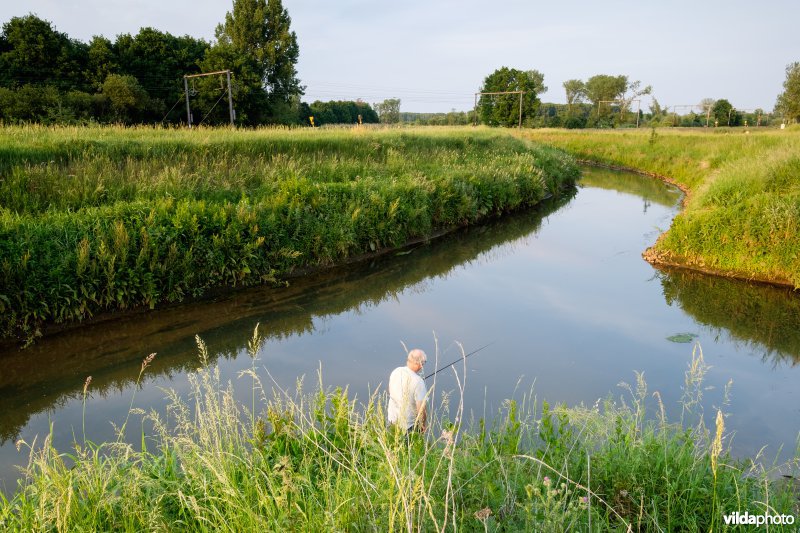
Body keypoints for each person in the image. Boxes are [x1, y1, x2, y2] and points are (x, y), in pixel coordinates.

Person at [387, 349, 428, 433]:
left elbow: (390, 391)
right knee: (407, 446)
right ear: (420, 364)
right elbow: (421, 409)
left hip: (392, 421)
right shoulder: (419, 382)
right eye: (423, 363)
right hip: (408, 426)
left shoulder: (396, 371)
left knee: (390, 445)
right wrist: (423, 424)